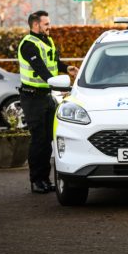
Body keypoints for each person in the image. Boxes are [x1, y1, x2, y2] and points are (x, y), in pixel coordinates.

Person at [18, 10, 78, 194]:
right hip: (32, 97)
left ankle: (45, 179)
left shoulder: (47, 41)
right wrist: (58, 83)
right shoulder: (28, 45)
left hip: (46, 96)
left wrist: (66, 68)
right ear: (36, 25)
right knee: (39, 141)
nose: (49, 27)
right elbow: (42, 70)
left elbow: (54, 63)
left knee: (48, 140)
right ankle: (37, 181)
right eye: (46, 24)